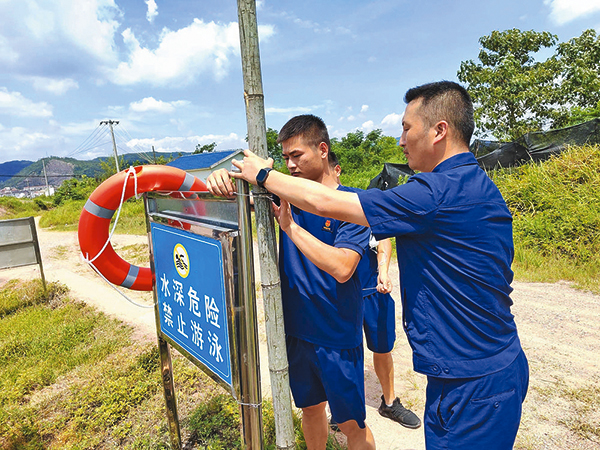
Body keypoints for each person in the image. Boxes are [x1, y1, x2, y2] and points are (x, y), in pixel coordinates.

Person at [220, 81, 530, 450]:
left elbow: (327, 209)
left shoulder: (435, 193)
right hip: (476, 369)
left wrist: (264, 175)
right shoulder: (471, 184)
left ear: (439, 131)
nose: (401, 140)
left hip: (474, 380)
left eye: (406, 128)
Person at [207, 115, 376, 450]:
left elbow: (343, 267)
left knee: (350, 423)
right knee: (310, 410)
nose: (290, 165)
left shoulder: (352, 203)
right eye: (285, 157)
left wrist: (291, 229)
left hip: (336, 335)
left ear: (323, 150)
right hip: (296, 331)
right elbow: (242, 196)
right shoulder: (285, 197)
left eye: (296, 155)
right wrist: (219, 178)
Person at [329, 153, 421, 429]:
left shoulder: (359, 202)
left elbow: (383, 239)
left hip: (373, 292)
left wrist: (383, 271)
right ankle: (343, 408)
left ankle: (389, 402)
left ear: (337, 169)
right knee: (344, 353)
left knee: (382, 348)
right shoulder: (315, 208)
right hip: (339, 296)